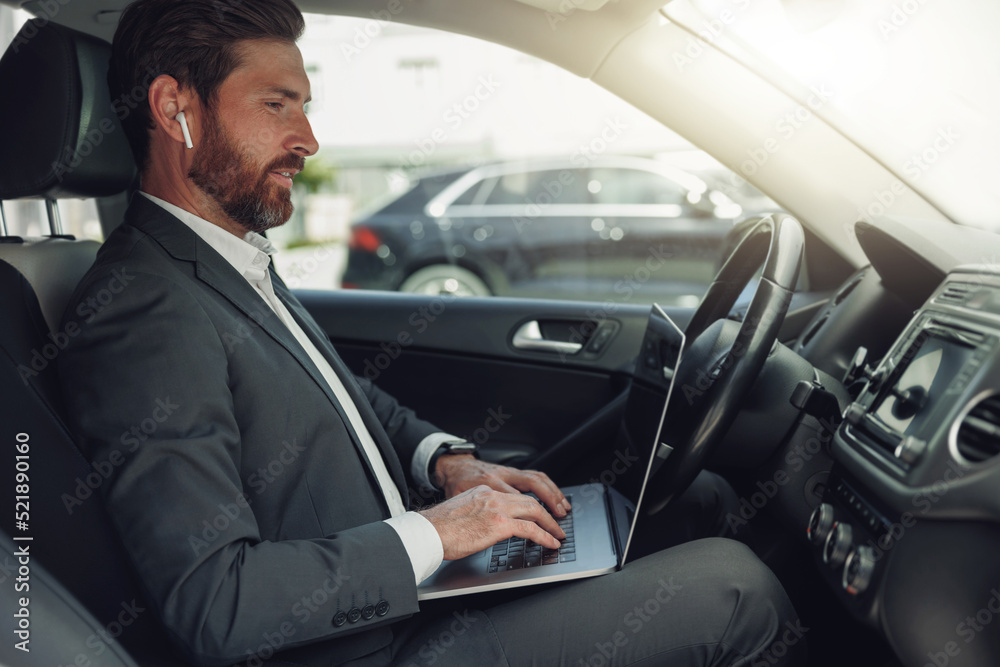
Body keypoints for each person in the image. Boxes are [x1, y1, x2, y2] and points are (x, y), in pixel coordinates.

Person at [57, 0, 806, 665]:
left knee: (699, 499)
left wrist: (449, 465)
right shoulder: (141, 308)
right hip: (379, 642)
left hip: (420, 594)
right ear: (173, 108)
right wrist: (439, 536)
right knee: (740, 591)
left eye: (305, 106)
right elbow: (215, 603)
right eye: (278, 104)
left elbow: (351, 400)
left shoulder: (224, 256)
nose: (309, 137)